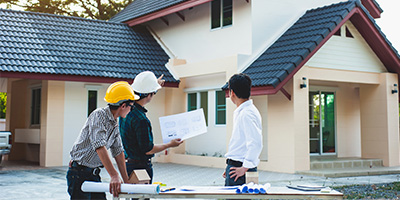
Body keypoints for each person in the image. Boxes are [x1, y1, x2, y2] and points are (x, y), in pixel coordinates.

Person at [66, 81, 139, 199]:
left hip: (93, 174)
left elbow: (118, 152)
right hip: (79, 173)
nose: (131, 110)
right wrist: (114, 175)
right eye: (132, 105)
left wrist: (126, 181)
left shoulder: (114, 123)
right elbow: (99, 146)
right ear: (123, 106)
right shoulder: (99, 115)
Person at [120, 71, 183, 183]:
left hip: (128, 165)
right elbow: (148, 150)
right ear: (149, 94)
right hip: (141, 168)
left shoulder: (126, 109)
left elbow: (144, 95)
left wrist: (155, 86)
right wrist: (170, 144)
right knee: (142, 197)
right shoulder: (141, 120)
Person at [223, 73, 263, 186]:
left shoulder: (246, 114)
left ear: (232, 93)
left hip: (241, 169)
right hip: (237, 167)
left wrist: (244, 168)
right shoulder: (244, 111)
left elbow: (255, 143)